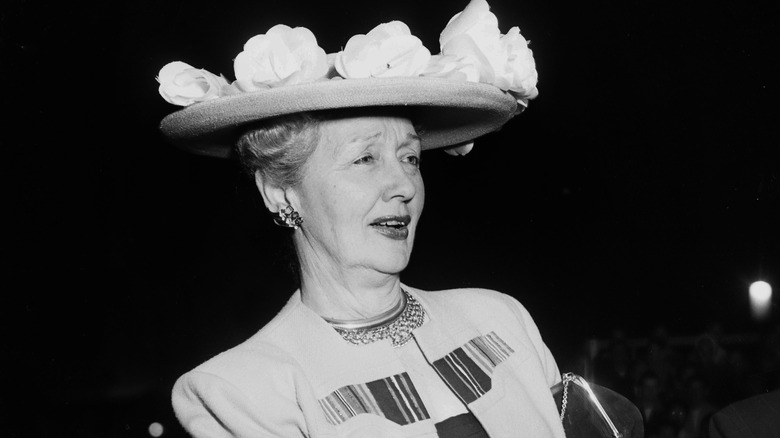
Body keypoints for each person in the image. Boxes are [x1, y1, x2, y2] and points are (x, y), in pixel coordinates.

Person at [156, 1, 565, 436]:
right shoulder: (242, 391)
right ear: (279, 191)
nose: (404, 185)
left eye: (409, 157)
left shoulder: (500, 320)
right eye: (365, 158)